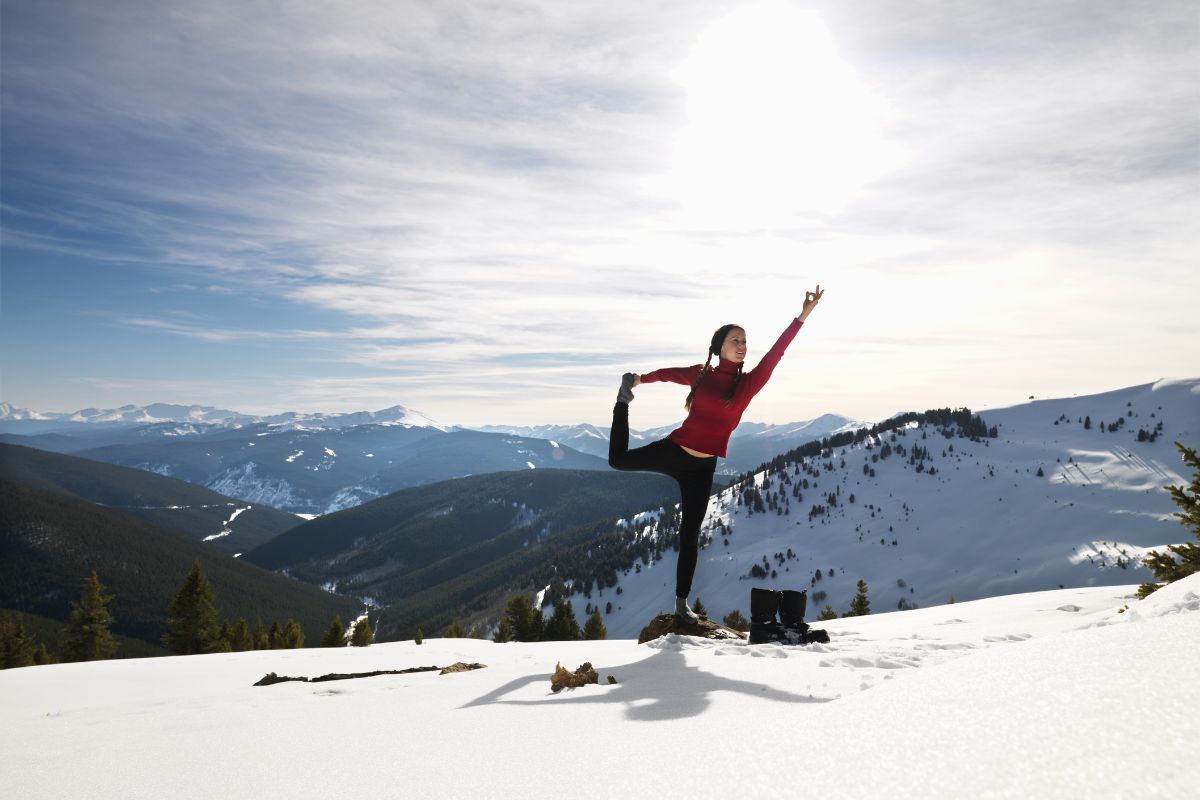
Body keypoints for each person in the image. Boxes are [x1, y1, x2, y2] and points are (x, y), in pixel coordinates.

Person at [608, 285, 824, 624]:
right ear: (719, 346)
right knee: (617, 460)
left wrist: (803, 315)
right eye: (735, 340)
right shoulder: (701, 374)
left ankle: (681, 604)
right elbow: (668, 375)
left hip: (702, 468)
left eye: (745, 341)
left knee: (689, 535)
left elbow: (776, 353)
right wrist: (638, 380)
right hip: (673, 451)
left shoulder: (748, 385)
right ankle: (622, 402)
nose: (742, 346)